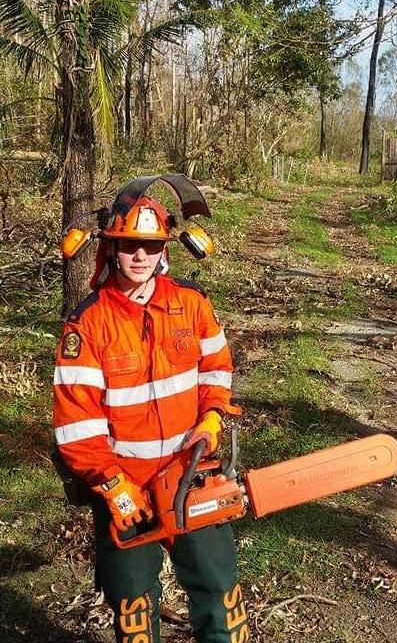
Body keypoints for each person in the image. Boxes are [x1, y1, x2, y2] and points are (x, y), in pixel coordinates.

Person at [53, 192, 249, 643]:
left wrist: (212, 417)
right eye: (128, 245)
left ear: (165, 248)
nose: (139, 255)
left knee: (219, 589)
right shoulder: (88, 324)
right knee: (133, 605)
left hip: (190, 472)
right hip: (126, 484)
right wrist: (111, 483)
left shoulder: (192, 305)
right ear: (111, 246)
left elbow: (217, 368)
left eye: (151, 245)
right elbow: (76, 421)